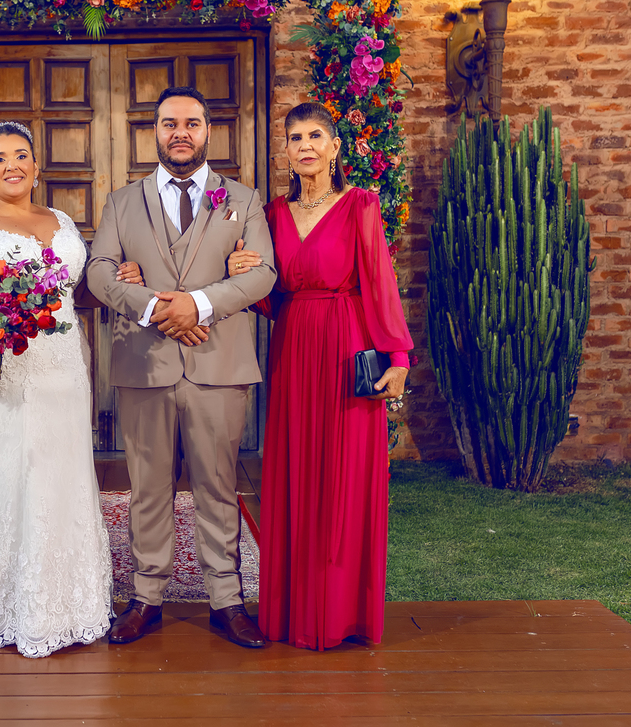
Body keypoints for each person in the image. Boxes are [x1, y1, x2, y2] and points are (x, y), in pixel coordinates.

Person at [0, 121, 142, 658]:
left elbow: (75, 293)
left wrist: (128, 277)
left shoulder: (62, 222)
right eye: (0, 158)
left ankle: (61, 604)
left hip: (59, 368)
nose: (12, 166)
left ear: (36, 167)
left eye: (21, 155)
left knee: (54, 474)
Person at [86, 86, 276, 648]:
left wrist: (199, 304)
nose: (180, 133)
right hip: (144, 365)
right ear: (155, 131)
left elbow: (263, 273)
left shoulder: (243, 200)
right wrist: (155, 308)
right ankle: (146, 597)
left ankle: (227, 600)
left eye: (191, 123)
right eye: (170, 123)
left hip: (218, 364)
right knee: (147, 487)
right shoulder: (122, 202)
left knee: (218, 484)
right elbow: (98, 271)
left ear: (208, 130)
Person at [229, 101, 412, 650]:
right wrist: (240, 275)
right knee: (294, 476)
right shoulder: (272, 215)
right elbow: (270, 296)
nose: (305, 145)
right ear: (285, 151)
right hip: (292, 351)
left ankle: (338, 614)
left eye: (315, 136)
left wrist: (398, 358)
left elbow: (379, 282)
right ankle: (292, 613)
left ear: (334, 147)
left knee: (342, 481)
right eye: (295, 138)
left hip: (346, 347)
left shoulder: (360, 205)